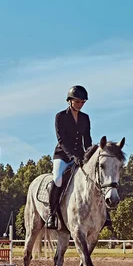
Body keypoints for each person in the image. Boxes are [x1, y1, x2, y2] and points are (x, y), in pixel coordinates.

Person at [47, 85, 100, 229]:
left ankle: (103, 215)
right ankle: (52, 215)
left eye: (83, 102)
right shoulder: (60, 116)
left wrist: (90, 155)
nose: (80, 104)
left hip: (80, 155)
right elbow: (61, 140)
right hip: (62, 155)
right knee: (58, 179)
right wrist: (72, 156)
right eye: (77, 101)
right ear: (69, 101)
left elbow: (87, 139)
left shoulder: (85, 118)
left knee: (96, 178)